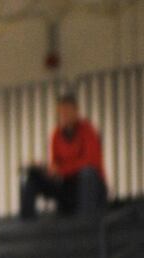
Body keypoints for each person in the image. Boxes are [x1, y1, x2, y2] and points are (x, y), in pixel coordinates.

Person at [20, 91, 107, 219]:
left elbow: (90, 161)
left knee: (87, 173)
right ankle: (27, 222)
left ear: (76, 112)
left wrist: (62, 170)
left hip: (88, 185)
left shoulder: (87, 130)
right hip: (66, 185)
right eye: (61, 113)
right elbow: (56, 162)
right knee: (30, 177)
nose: (64, 116)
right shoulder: (56, 134)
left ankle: (86, 220)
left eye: (67, 111)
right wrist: (46, 169)